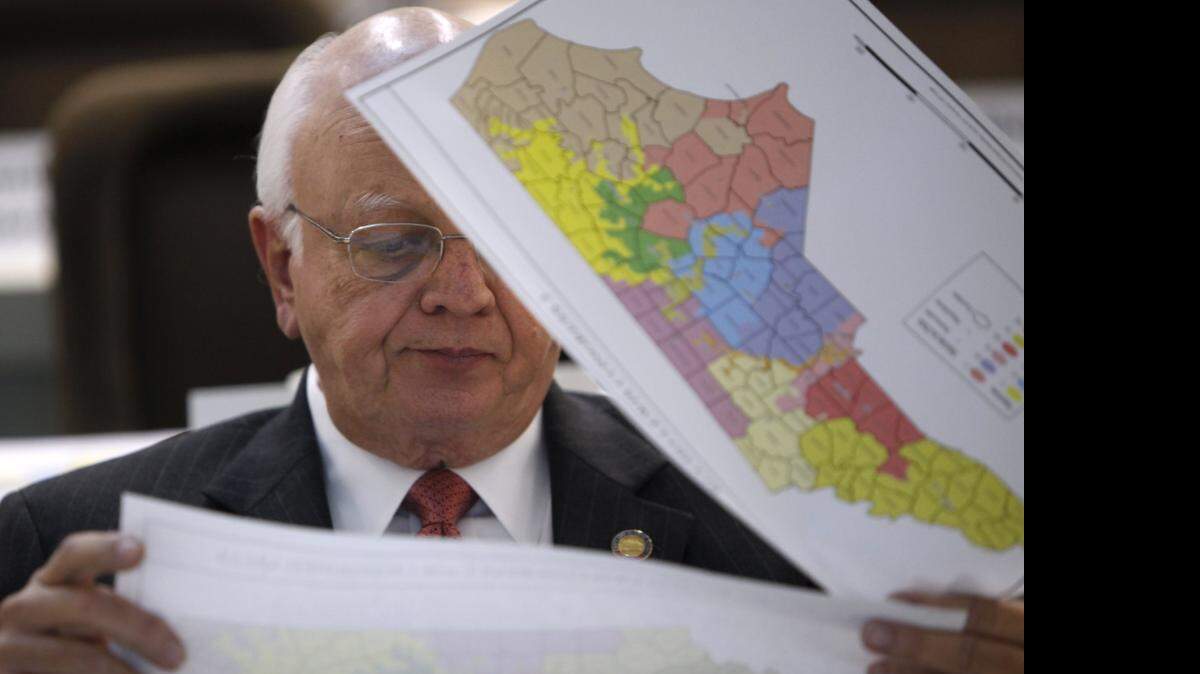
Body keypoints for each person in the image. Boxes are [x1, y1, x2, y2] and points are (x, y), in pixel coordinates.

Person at [0, 8, 1023, 674]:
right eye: (396, 243)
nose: (463, 292)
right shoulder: (57, 564)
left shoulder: (803, 548)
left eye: (520, 245)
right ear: (282, 267)